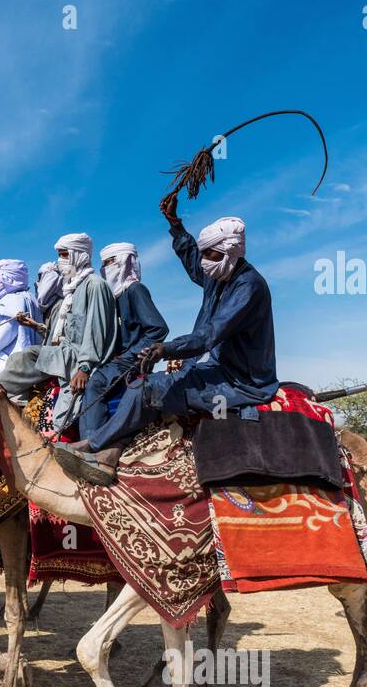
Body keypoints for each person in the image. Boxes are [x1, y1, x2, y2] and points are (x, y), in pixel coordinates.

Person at [56, 198, 279, 485]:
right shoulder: (219, 273)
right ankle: (109, 454)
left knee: (148, 389)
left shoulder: (248, 286)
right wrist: (176, 225)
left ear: (229, 252)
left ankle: (92, 444)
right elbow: (192, 262)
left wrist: (166, 349)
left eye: (209, 254)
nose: (204, 261)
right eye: (203, 254)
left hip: (241, 380)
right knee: (142, 389)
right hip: (213, 367)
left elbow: (210, 334)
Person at [0, 233, 119, 430]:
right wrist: (36, 327)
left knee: (61, 421)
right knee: (20, 360)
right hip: (62, 353)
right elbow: (66, 331)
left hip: (78, 359)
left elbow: (95, 332)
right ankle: (15, 408)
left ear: (79, 255)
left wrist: (84, 368)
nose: (60, 261)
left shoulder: (94, 286)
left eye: (64, 255)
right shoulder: (72, 290)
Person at [76, 242, 169, 446]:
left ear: (124, 262)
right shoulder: (116, 296)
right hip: (118, 358)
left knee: (97, 381)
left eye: (110, 262)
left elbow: (158, 329)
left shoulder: (135, 290)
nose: (105, 268)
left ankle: (90, 442)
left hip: (132, 359)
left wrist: (130, 353)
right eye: (103, 264)